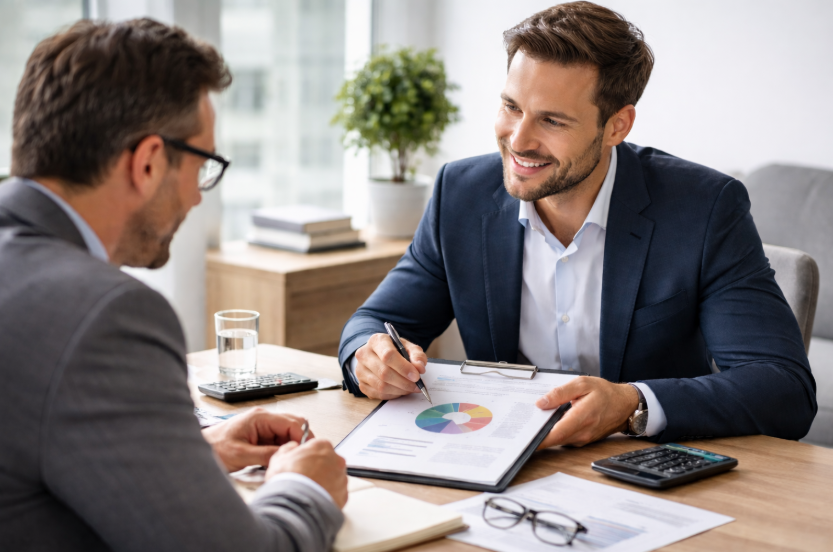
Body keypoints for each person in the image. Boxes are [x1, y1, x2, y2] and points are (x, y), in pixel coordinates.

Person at [339, 1, 817, 446]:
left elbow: (783, 387)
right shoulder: (459, 194)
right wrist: (370, 356)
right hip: (499, 456)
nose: (519, 140)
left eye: (552, 121)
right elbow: (373, 324)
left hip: (641, 470)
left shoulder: (705, 208)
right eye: (511, 107)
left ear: (617, 126)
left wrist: (633, 403)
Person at [0, 18, 347, 551]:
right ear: (148, 162)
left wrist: (191, 453)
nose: (196, 198)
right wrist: (305, 488)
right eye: (203, 166)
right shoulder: (102, 315)